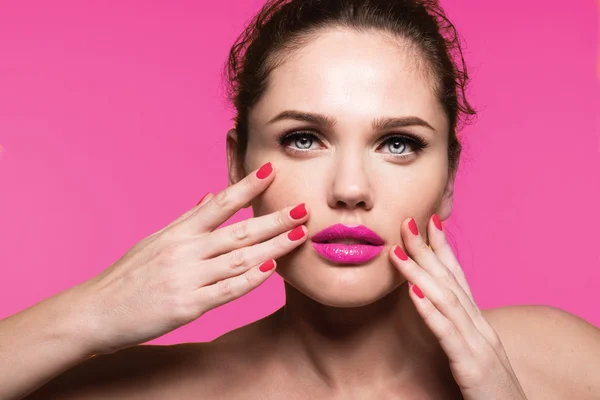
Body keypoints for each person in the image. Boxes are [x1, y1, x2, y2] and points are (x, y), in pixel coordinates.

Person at [2, 0, 599, 399]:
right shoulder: (147, 389)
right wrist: (88, 313)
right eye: (303, 139)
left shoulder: (557, 361)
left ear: (448, 179)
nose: (350, 190)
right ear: (239, 163)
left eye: (397, 143)